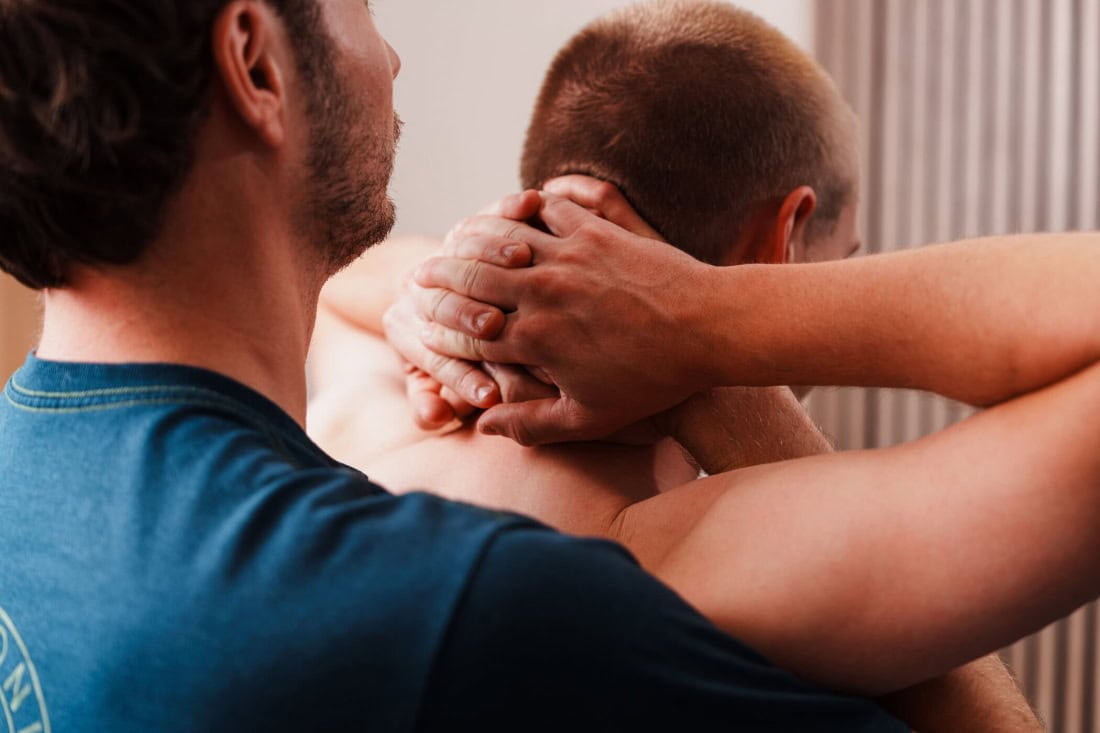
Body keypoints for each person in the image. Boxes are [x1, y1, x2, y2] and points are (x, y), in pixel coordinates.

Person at [0, 0, 990, 730]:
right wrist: (718, 345)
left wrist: (444, 289)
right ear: (254, 61)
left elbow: (357, 296)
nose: (390, 51)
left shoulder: (330, 384)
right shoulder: (549, 576)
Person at [309, 4, 1040, 730]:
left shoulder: (363, 411)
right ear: (781, 236)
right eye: (839, 258)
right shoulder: (712, 560)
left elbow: (334, 286)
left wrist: (456, 284)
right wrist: (727, 376)